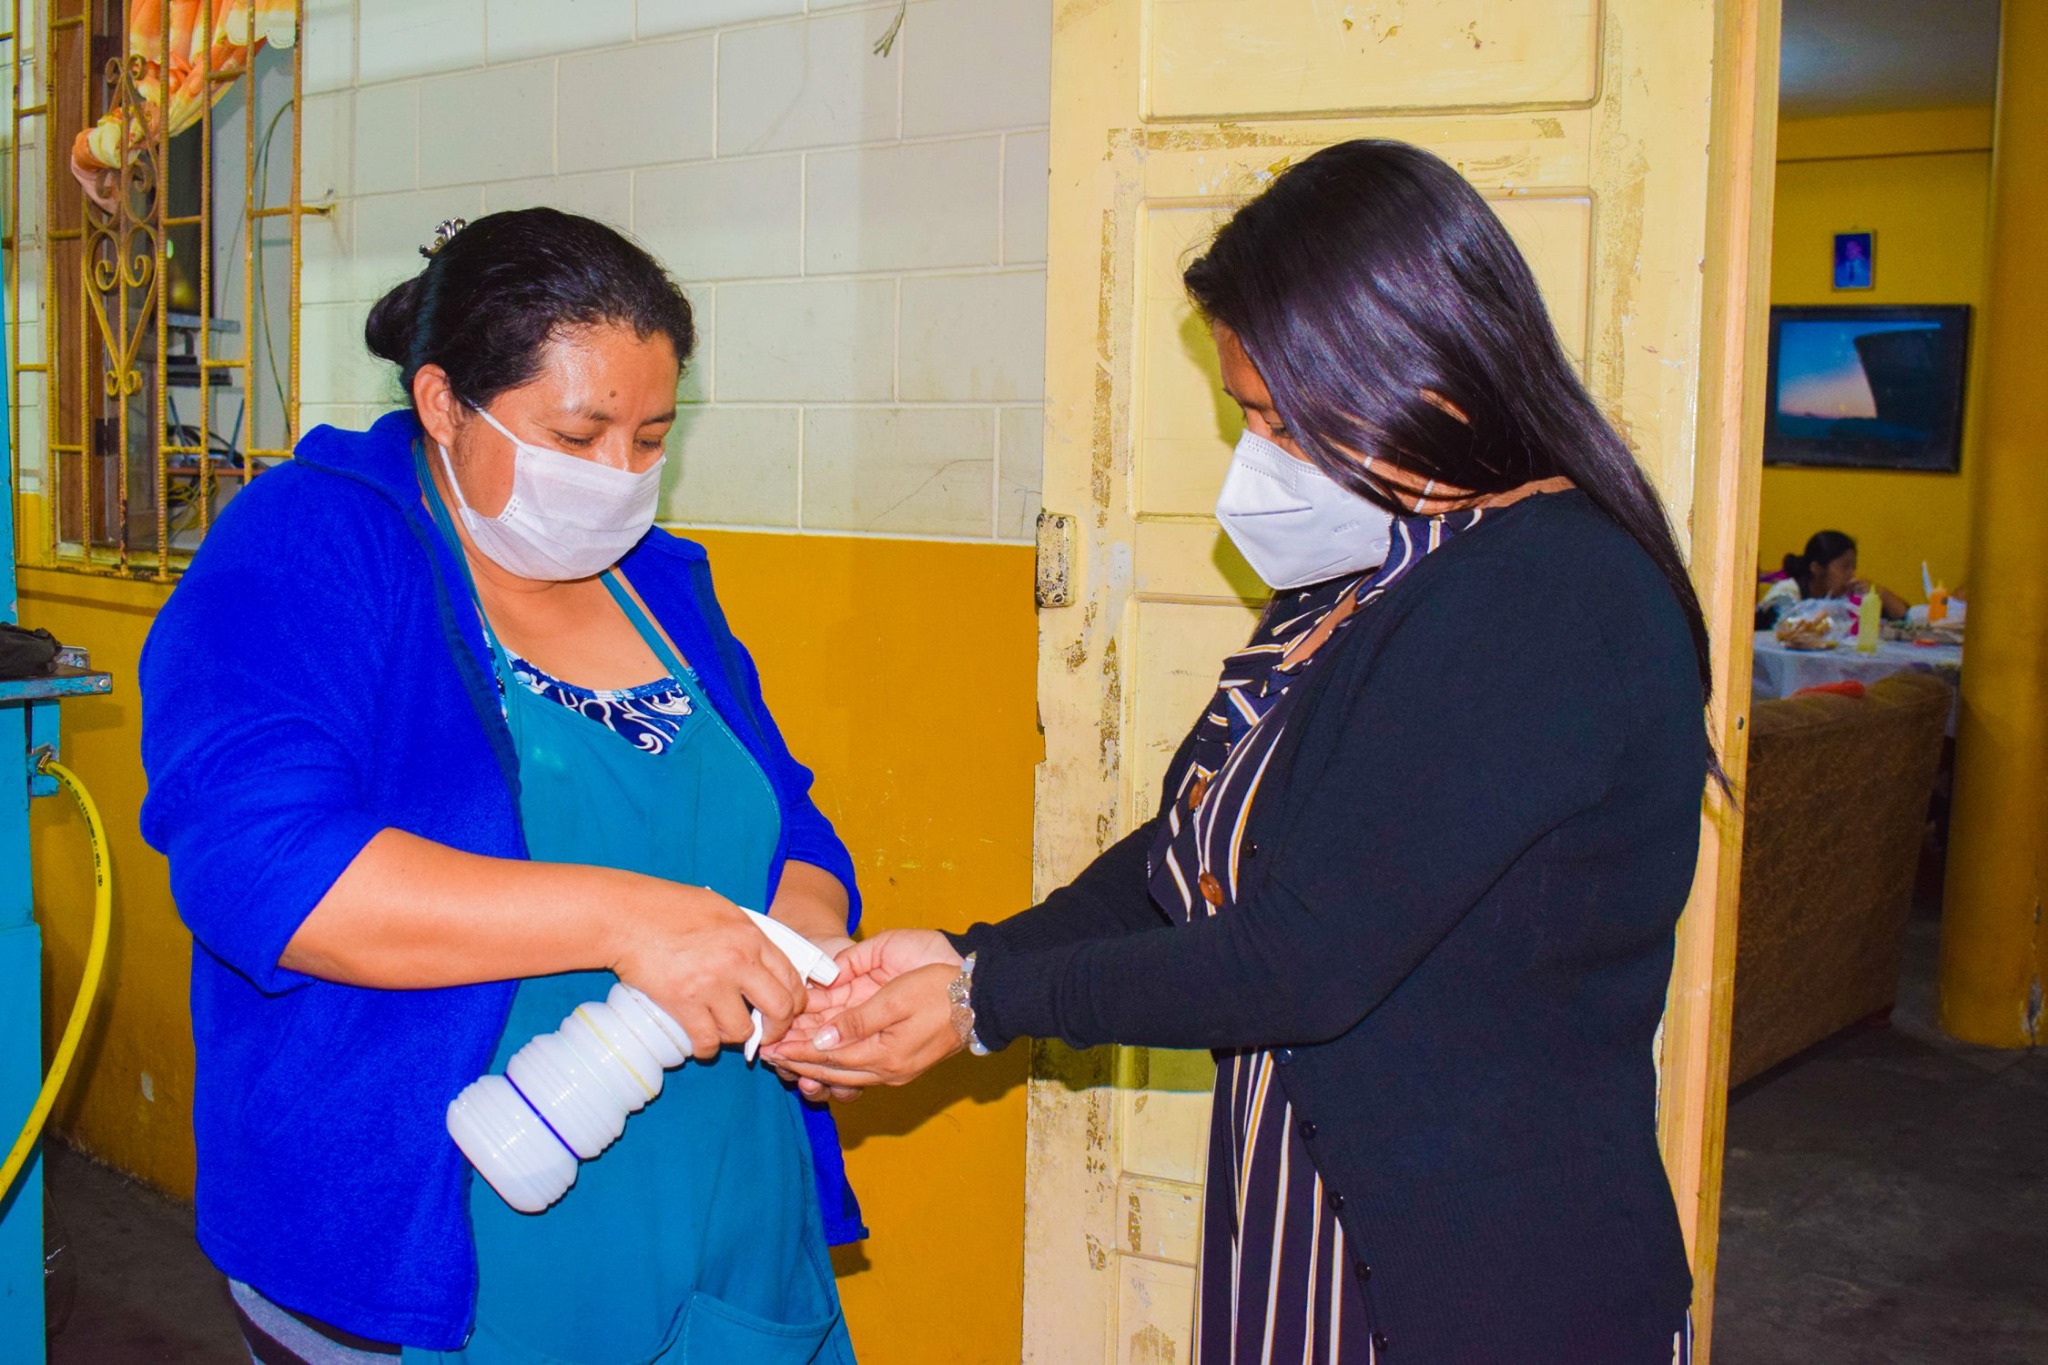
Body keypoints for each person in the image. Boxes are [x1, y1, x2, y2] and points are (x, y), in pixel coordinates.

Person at [772, 140, 1715, 1362]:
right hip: (1313, 1231)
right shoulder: (1371, 579)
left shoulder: (1547, 598)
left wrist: (982, 1003)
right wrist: (972, 953)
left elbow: (1302, 958)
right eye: (1247, 416)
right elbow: (1192, 853)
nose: (1256, 460)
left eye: (1281, 420)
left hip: (1484, 1274)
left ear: (1425, 374)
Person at [140, 209, 862, 1363]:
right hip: (443, 1245)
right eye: (576, 436)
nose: (618, 479)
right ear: (441, 403)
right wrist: (638, 921)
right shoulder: (316, 547)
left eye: (650, 439)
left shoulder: (657, 583)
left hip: (719, 1222)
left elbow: (784, 821)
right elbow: (266, 869)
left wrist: (807, 957)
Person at [1756, 529, 1908, 629]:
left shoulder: (1843, 598)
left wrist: (1877, 592)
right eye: (1845, 567)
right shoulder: (1786, 594)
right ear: (1816, 568)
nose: (1851, 575)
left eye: (1853, 568)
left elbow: (1904, 618)